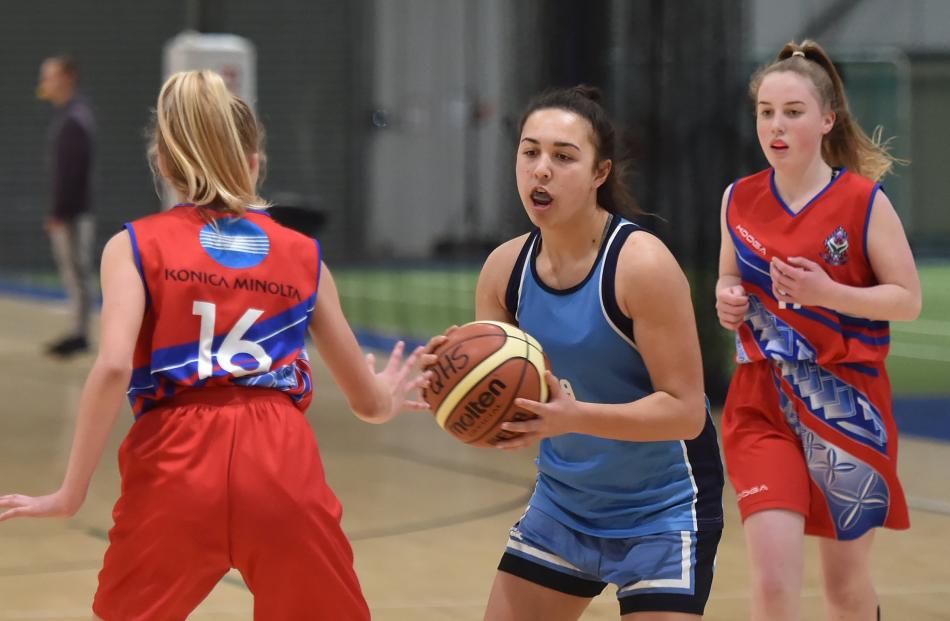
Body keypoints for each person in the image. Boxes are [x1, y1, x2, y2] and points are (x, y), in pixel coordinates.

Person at [0, 70, 438, 620]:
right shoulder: (304, 255)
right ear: (255, 161)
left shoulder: (132, 244)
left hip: (175, 457)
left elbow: (112, 367)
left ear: (161, 161)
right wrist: (389, 394)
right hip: (280, 457)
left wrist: (69, 493)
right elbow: (369, 403)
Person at [473, 85, 724, 620]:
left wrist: (574, 417)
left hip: (664, 508)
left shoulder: (641, 266)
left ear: (599, 174)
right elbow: (501, 402)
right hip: (564, 505)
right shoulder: (503, 271)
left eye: (563, 157)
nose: (541, 169)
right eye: (530, 151)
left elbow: (684, 411)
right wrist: (448, 383)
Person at [716, 40, 922, 621]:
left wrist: (827, 294)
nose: (776, 125)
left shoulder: (863, 202)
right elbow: (729, 278)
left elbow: (906, 299)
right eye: (765, 111)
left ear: (827, 120)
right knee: (774, 585)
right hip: (761, 403)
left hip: (847, 404)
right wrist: (725, 300)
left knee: (845, 589)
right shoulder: (737, 198)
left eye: (793, 112)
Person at [37, 56, 97, 357]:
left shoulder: (75, 118)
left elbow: (73, 171)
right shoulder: (69, 115)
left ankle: (80, 332)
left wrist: (60, 211)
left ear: (67, 78)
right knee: (74, 273)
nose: (45, 83)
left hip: (73, 213)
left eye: (50, 77)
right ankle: (78, 330)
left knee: (77, 272)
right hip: (71, 210)